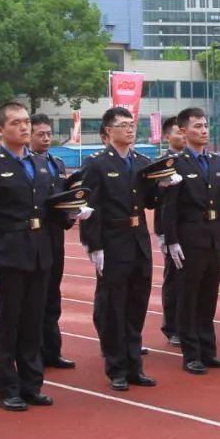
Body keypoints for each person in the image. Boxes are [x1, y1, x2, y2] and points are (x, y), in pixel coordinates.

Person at [0, 102, 57, 412]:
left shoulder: (40, 163)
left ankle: (31, 384)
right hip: (9, 252)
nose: (24, 127)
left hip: (39, 251)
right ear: (0, 130)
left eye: (26, 122)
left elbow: (50, 207)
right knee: (9, 323)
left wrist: (73, 213)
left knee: (33, 322)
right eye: (16, 123)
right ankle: (7, 388)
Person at [80, 107, 157, 391]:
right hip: (113, 242)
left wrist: (162, 185)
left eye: (132, 124)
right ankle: (117, 368)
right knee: (114, 307)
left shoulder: (141, 162)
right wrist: (93, 244)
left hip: (139, 240)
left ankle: (135, 365)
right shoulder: (97, 164)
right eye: (123, 125)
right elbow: (90, 207)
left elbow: (149, 201)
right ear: (108, 131)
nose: (129, 129)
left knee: (136, 305)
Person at [159, 107, 220, 374]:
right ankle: (191, 353)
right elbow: (170, 207)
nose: (203, 131)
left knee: (207, 296)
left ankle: (208, 349)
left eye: (205, 126)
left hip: (212, 237)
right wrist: (172, 240)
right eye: (197, 127)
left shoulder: (216, 162)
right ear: (182, 131)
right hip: (189, 239)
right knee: (188, 297)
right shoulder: (176, 164)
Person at [28, 115, 78, 369]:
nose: (46, 138)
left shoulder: (57, 163)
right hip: (33, 238)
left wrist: (72, 213)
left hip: (54, 237)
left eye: (49, 134)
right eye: (40, 134)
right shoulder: (26, 164)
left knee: (52, 296)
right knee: (35, 298)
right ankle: (33, 351)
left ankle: (51, 350)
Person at [156, 115, 186, 346]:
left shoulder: (189, 160)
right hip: (170, 229)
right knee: (174, 278)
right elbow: (159, 202)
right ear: (168, 136)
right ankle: (172, 325)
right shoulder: (162, 163)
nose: (183, 136)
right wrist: (163, 233)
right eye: (179, 132)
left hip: (191, 228)